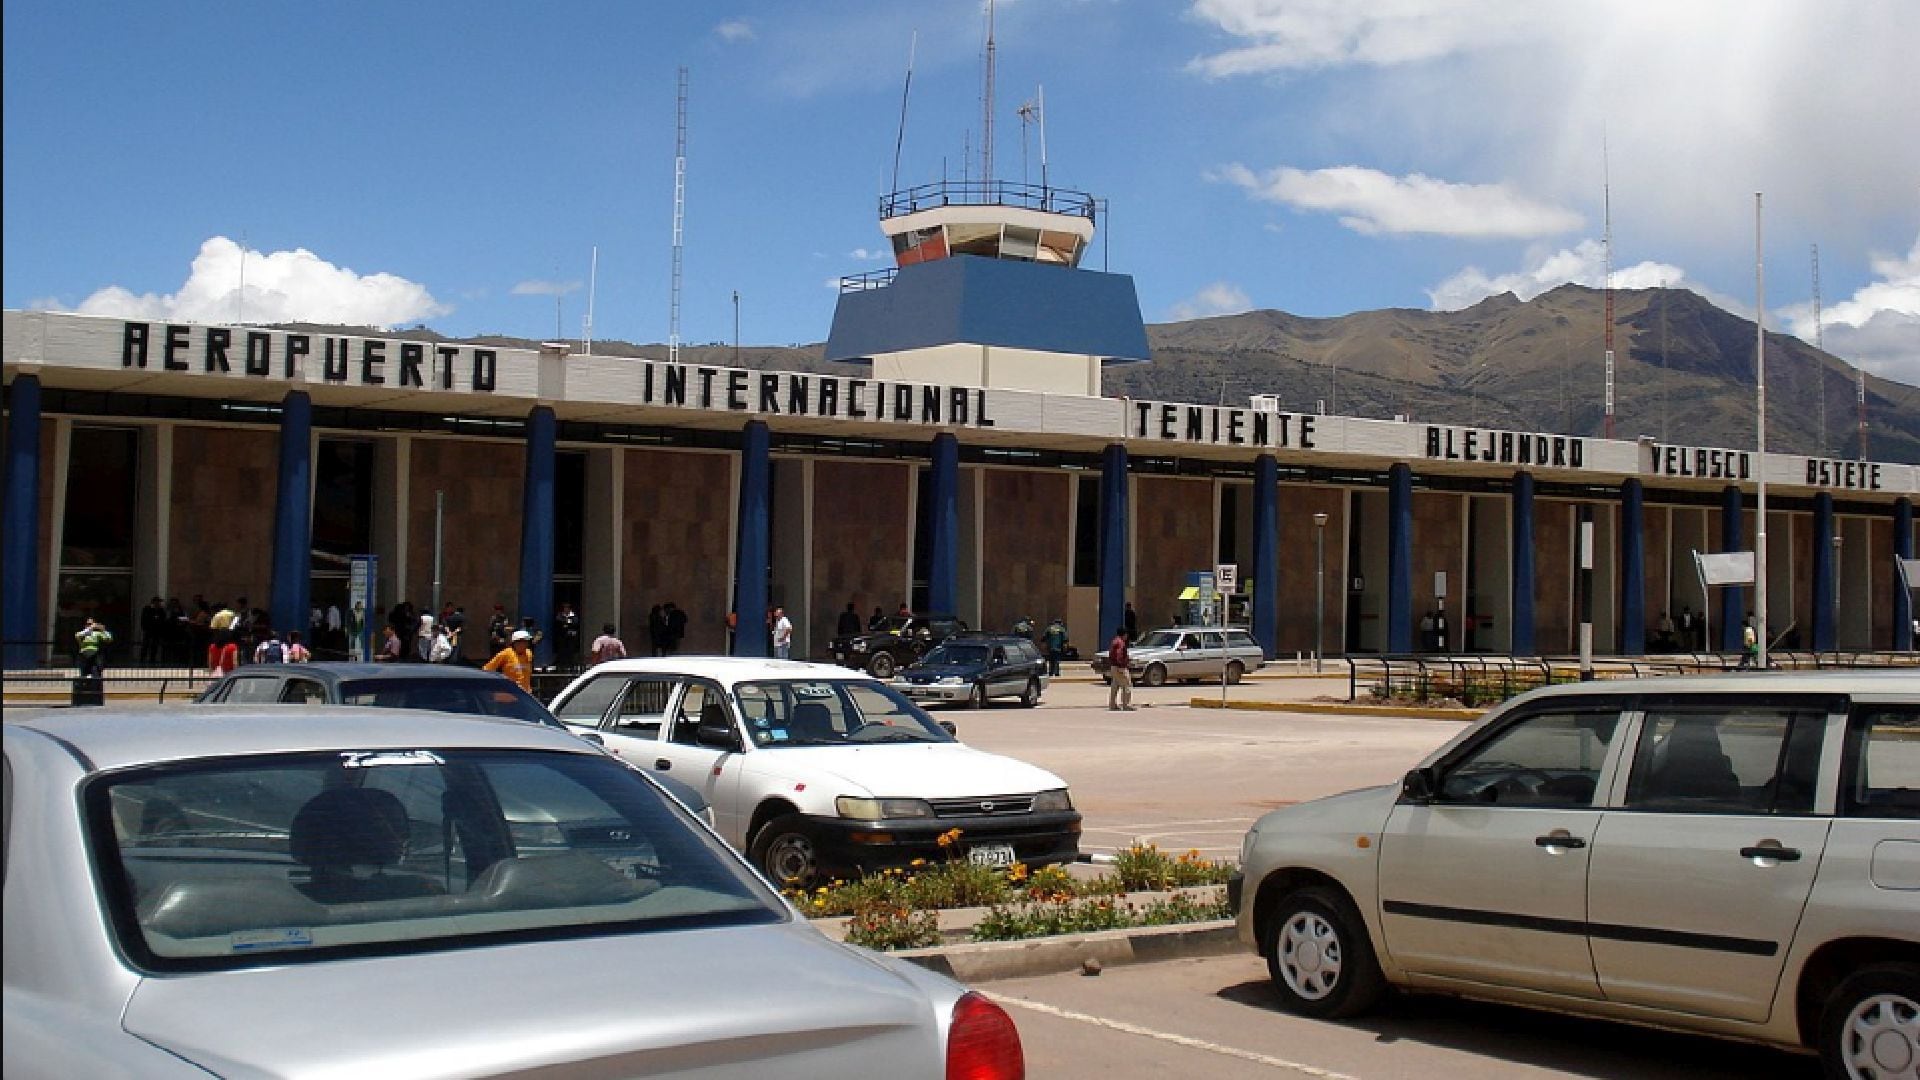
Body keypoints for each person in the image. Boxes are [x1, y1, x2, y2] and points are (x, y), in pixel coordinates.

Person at [1106, 626, 1135, 711]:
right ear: (1124, 634)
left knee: (1115, 685)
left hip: (1113, 666)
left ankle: (1112, 705)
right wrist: (1122, 665)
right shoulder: (1121, 643)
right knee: (1127, 685)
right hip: (1119, 667)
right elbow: (1119, 655)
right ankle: (1126, 705)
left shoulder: (1114, 641)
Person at [553, 601, 582, 671]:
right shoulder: (560, 615)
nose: (566, 609)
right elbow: (559, 622)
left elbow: (575, 624)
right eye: (565, 607)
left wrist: (566, 624)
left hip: (571, 638)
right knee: (562, 651)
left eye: (567, 607)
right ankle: (561, 665)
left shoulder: (574, 616)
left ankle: (571, 665)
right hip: (562, 637)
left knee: (571, 651)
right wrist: (566, 623)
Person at [140, 596, 167, 665]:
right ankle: (142, 659)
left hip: (157, 631)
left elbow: (163, 620)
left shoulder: (161, 610)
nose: (158, 603)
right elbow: (144, 619)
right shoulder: (147, 609)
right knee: (146, 645)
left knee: (154, 646)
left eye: (159, 602)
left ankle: (152, 659)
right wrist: (145, 627)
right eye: (157, 602)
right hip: (149, 630)